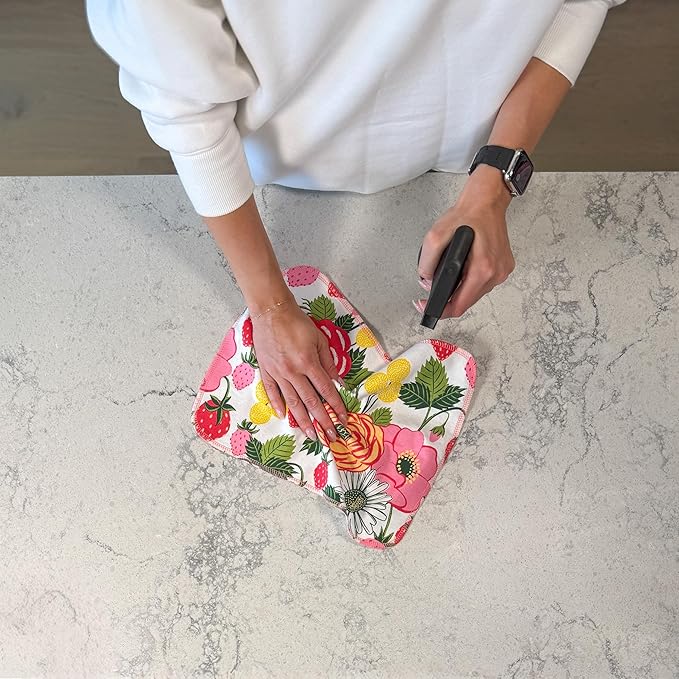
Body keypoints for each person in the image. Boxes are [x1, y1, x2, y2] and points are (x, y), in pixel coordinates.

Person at [87, 0, 624, 444]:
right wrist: (269, 305)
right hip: (277, 153)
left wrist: (493, 183)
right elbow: (183, 106)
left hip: (472, 139)